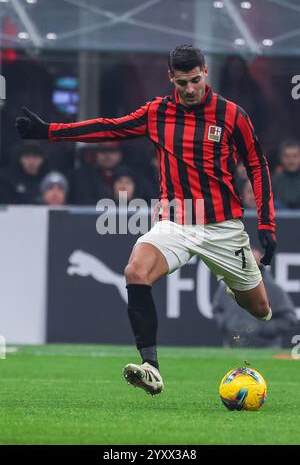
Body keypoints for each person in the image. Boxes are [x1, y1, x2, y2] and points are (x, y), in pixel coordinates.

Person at [16, 45, 276, 396]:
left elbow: (257, 165)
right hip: (175, 221)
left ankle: (233, 283)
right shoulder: (157, 112)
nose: (188, 89)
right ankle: (151, 367)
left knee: (260, 310)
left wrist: (266, 223)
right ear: (171, 77)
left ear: (205, 74)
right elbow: (108, 129)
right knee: (135, 270)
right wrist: (49, 131)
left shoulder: (231, 115)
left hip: (223, 226)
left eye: (195, 80)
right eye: (182, 81)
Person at [213, 248, 297, 348]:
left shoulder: (274, 289)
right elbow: (217, 310)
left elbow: (289, 319)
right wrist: (227, 323)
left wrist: (263, 328)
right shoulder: (229, 286)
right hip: (233, 348)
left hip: (265, 350)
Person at [271, 140, 300, 209]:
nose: (291, 160)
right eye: (287, 156)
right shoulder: (272, 181)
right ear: (281, 158)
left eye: (295, 156)